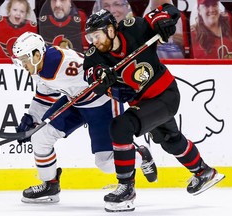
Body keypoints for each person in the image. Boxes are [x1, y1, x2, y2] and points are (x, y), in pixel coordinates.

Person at [83, 6, 225, 212]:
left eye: (96, 35)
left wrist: (162, 21)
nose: (93, 41)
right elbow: (89, 73)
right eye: (90, 38)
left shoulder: (134, 28)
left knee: (121, 126)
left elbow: (167, 10)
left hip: (165, 95)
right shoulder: (95, 54)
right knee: (170, 140)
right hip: (143, 104)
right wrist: (100, 75)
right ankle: (203, 171)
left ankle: (126, 188)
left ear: (111, 30)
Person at [11, 31, 157, 203]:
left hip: (102, 104)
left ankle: (140, 155)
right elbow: (45, 95)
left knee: (105, 163)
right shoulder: (38, 67)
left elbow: (100, 73)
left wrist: (115, 86)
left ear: (36, 54)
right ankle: (50, 185)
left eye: (24, 60)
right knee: (39, 137)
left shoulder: (65, 63)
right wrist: (31, 119)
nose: (23, 65)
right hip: (75, 101)